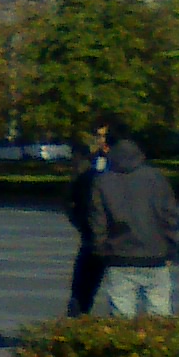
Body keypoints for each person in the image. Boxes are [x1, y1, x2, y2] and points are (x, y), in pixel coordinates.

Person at [86, 132, 179, 317]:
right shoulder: (156, 178)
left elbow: (98, 222)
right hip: (155, 254)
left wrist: (101, 251)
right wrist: (170, 249)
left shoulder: (102, 181)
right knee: (160, 316)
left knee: (122, 317)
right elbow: (168, 216)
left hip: (119, 255)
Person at [63, 124, 113, 317]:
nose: (101, 140)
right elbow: (71, 200)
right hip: (92, 236)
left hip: (120, 237)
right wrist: (84, 225)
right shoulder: (86, 164)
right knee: (82, 289)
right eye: (98, 135)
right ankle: (77, 320)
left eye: (104, 136)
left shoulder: (124, 166)